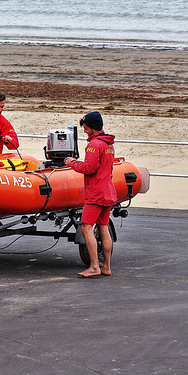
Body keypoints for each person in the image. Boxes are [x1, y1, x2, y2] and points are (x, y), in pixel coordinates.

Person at [64, 111, 117, 278]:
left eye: (86, 128)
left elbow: (89, 168)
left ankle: (94, 266)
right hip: (107, 191)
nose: (85, 131)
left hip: (96, 193)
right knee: (103, 227)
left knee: (86, 227)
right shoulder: (108, 144)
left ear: (92, 127)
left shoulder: (94, 145)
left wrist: (72, 163)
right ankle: (106, 266)